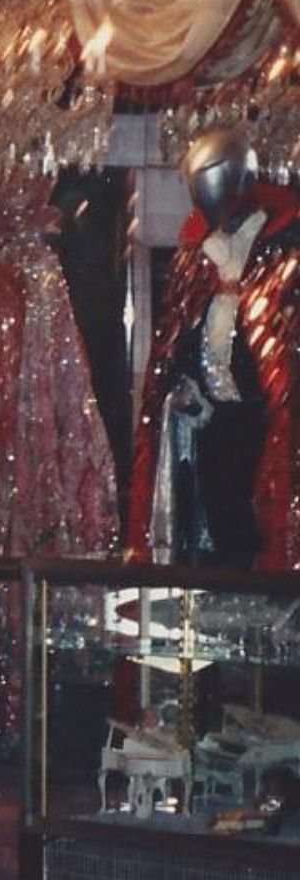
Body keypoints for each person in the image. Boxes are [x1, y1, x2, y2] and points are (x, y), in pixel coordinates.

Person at [129, 127, 300, 571]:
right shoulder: (192, 254)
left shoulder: (287, 249)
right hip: (209, 427)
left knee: (267, 536)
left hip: (269, 425)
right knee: (210, 539)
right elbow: (173, 341)